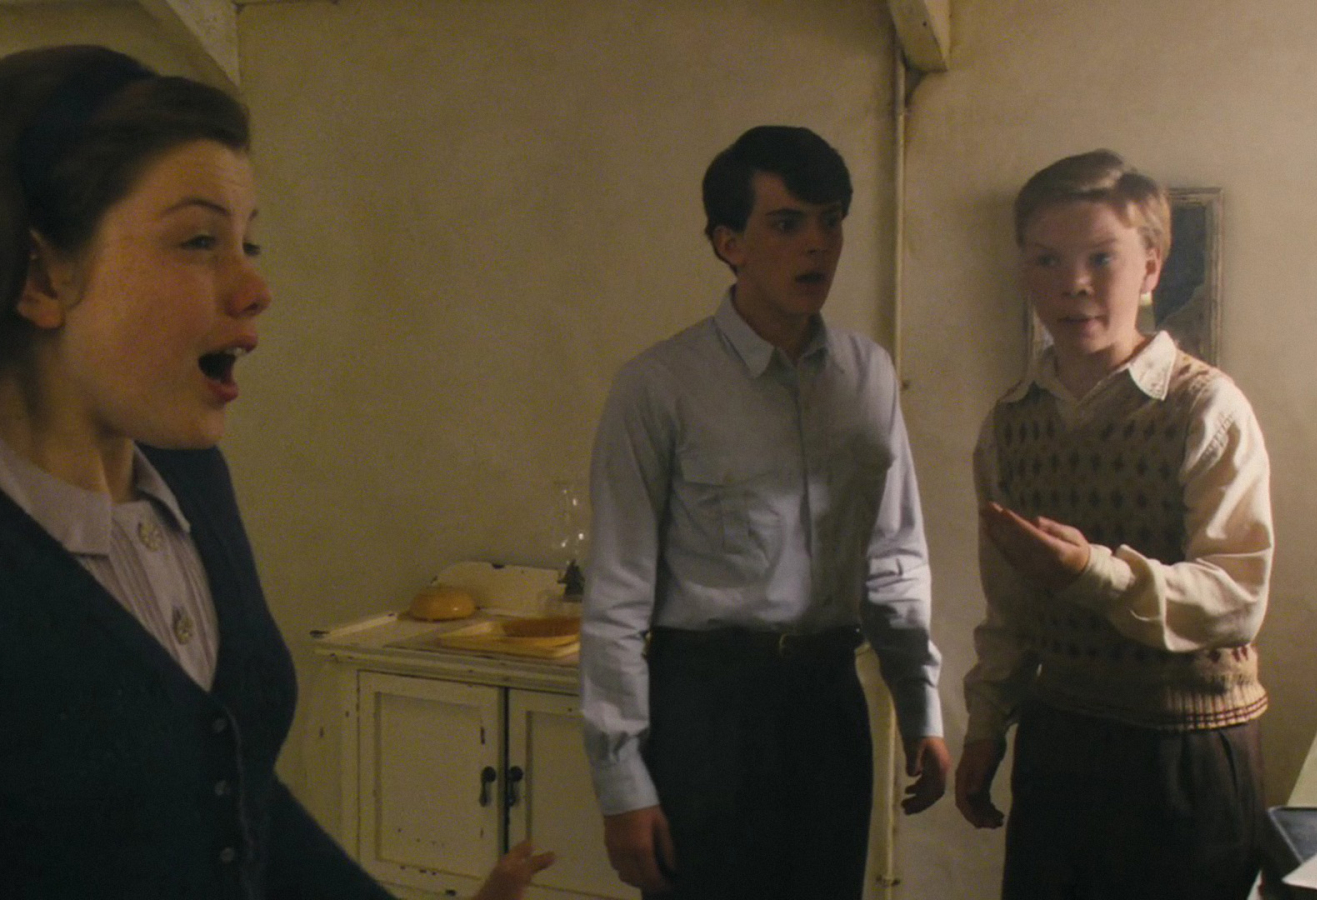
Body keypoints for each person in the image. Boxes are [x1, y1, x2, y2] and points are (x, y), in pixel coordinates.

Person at [0, 44, 552, 898]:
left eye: (247, 242)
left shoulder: (192, 483)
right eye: (198, 240)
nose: (255, 287)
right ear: (41, 275)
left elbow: (245, 799)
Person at [581, 124, 948, 900]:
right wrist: (622, 783)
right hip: (708, 710)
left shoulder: (867, 375)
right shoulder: (660, 386)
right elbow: (616, 596)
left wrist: (920, 706)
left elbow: (892, 552)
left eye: (830, 221)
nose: (816, 244)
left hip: (827, 701)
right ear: (730, 244)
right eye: (786, 223)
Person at [954, 150, 1273, 900]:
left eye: (1102, 258)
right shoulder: (1010, 424)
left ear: (1151, 268)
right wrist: (986, 726)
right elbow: (1011, 609)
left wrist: (1091, 572)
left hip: (1186, 752)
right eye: (1048, 259)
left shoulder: (1206, 408)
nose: (1074, 283)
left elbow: (1237, 597)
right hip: (1062, 739)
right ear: (1025, 270)